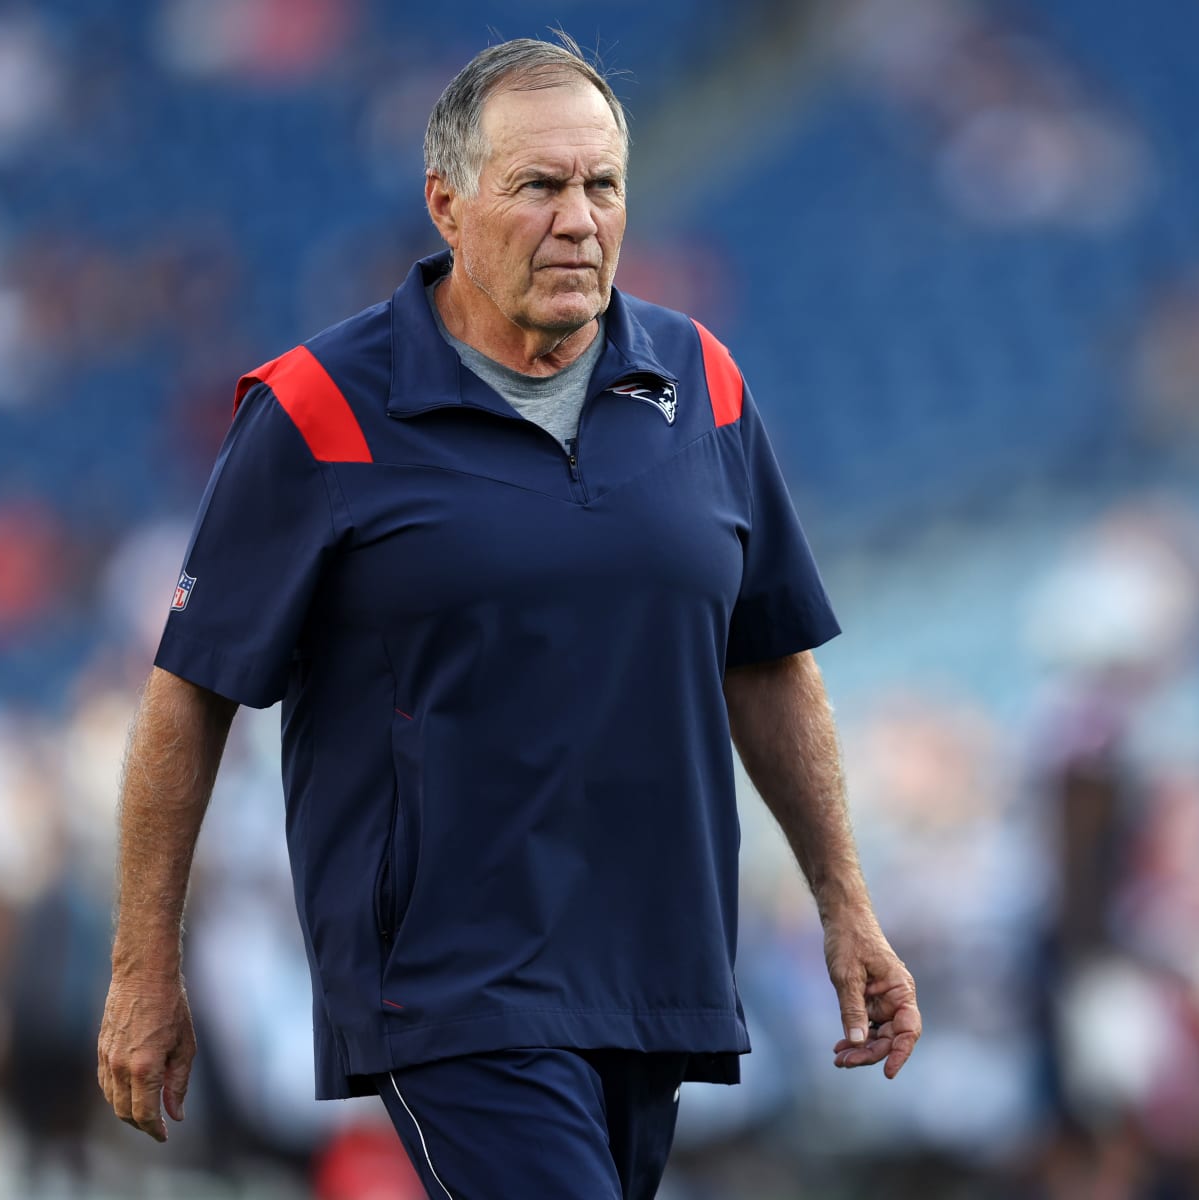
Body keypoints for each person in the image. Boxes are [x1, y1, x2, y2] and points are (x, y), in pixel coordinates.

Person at [96, 33, 920, 1199]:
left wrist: (848, 906)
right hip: (449, 985)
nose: (579, 219)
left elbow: (771, 660)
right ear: (447, 203)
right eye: (538, 185)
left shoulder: (706, 383)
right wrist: (144, 969)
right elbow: (190, 694)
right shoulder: (318, 411)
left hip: (655, 966)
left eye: (602, 185)